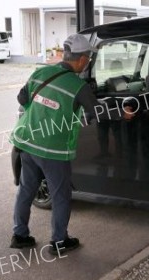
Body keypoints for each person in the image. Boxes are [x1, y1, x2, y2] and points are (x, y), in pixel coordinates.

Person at [10, 34, 131, 255]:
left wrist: (44, 109)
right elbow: (98, 112)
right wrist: (123, 113)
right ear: (83, 59)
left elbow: (22, 99)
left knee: (26, 190)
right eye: (87, 58)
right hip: (53, 150)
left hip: (27, 142)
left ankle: (20, 235)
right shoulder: (78, 86)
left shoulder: (41, 72)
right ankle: (59, 242)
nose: (86, 62)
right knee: (61, 195)